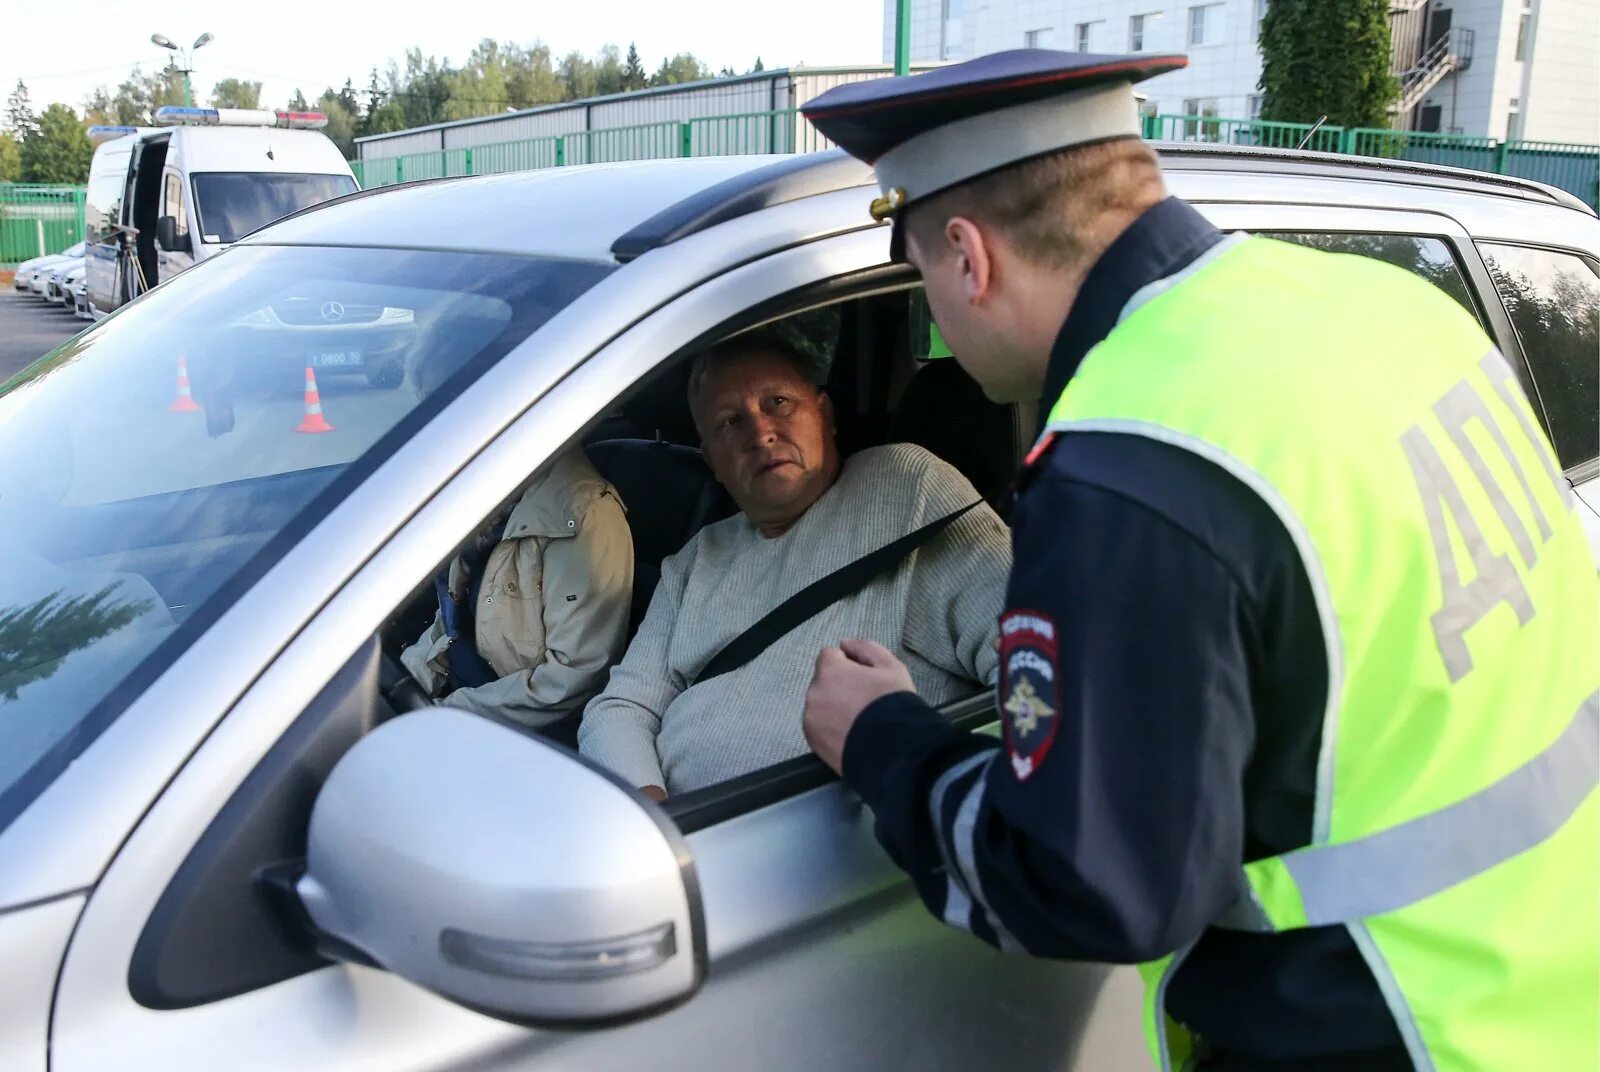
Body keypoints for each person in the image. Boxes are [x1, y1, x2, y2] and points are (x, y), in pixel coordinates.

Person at [796, 49, 1599, 1072]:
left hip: (1391, 1028)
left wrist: (880, 740)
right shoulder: (1384, 309)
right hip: (1558, 988)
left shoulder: (1131, 466)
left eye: (916, 276)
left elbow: (1089, 880)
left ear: (967, 254)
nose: (931, 316)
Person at [577, 332, 1010, 800]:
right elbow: (621, 706)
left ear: (824, 415)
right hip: (678, 836)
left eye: (778, 402)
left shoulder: (907, 488)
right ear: (712, 462)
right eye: (729, 421)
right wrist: (655, 822)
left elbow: (1033, 660)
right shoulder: (698, 556)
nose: (760, 433)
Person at [401, 446, 633, 728]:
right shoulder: (499, 493)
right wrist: (403, 686)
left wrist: (441, 715)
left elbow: (571, 677)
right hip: (469, 698)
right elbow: (455, 616)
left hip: (522, 726)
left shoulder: (586, 516)